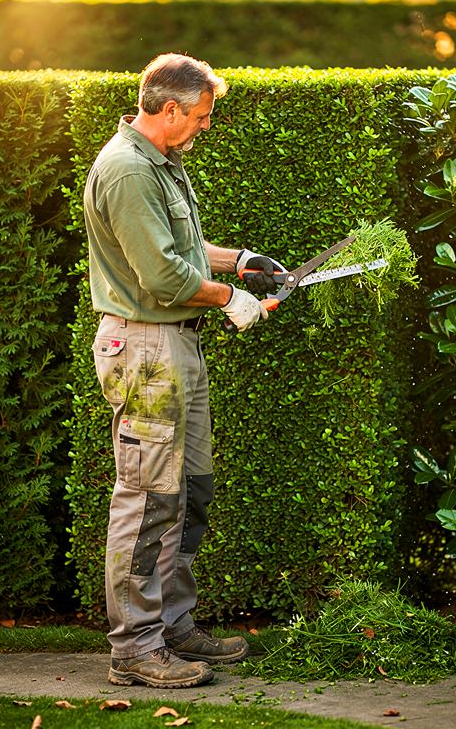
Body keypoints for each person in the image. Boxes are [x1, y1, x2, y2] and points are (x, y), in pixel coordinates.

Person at [83, 53, 285, 689]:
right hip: (144, 348)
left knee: (190, 491)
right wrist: (233, 300)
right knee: (148, 499)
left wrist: (241, 262)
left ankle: (172, 626)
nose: (203, 127)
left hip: (175, 345)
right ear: (169, 109)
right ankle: (135, 649)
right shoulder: (126, 171)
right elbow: (164, 276)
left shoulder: (162, 164)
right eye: (199, 117)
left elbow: (185, 251)